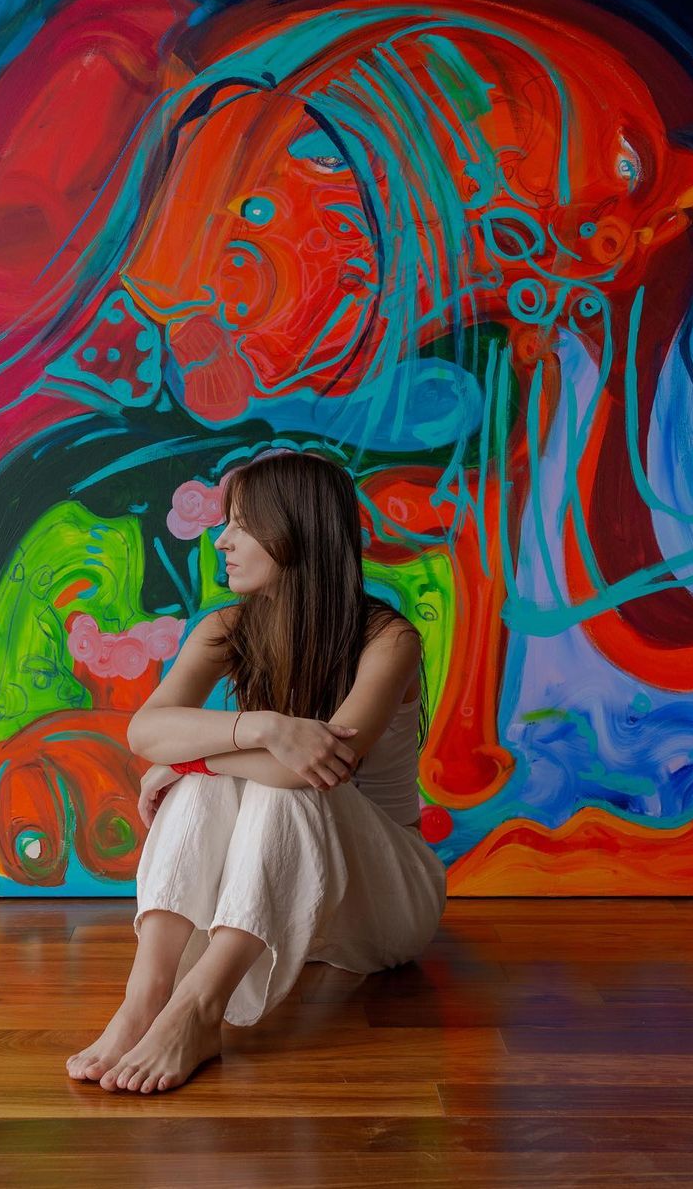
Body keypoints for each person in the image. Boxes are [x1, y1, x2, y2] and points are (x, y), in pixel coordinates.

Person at [65, 449, 448, 1093]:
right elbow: (143, 731)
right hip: (278, 896)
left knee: (273, 784)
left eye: (241, 525)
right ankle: (145, 997)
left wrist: (191, 760)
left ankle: (199, 1008)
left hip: (386, 902)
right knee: (225, 778)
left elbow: (315, 771)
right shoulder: (228, 627)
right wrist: (264, 727)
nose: (222, 541)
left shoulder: (388, 640)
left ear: (295, 531)